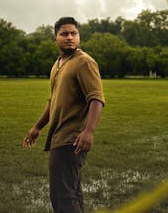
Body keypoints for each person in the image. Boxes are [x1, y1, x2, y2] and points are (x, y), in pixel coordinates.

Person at [23, 17, 105, 213]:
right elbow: (53, 100)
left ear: (79, 37)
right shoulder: (58, 64)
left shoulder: (84, 62)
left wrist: (88, 131)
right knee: (72, 193)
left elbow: (96, 98)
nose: (69, 37)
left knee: (62, 196)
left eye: (73, 33)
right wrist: (37, 127)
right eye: (64, 34)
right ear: (56, 38)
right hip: (59, 136)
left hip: (72, 138)